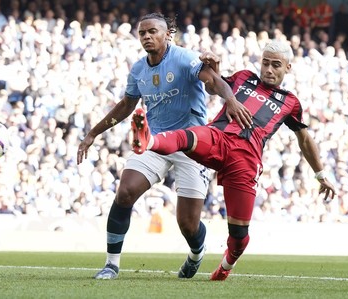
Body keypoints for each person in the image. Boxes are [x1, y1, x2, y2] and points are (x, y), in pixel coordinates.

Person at [130, 39, 336, 281]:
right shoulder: (244, 77)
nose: (268, 69)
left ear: (287, 68)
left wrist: (321, 175)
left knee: (238, 235)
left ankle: (225, 266)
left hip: (246, 159)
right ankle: (148, 141)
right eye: (266, 63)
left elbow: (304, 139)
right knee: (188, 136)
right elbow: (212, 87)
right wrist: (212, 68)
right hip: (218, 136)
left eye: (276, 65)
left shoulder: (290, 102)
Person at [76, 12, 252, 280]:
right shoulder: (138, 70)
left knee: (188, 224)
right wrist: (93, 133)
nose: (147, 36)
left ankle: (196, 253)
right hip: (155, 141)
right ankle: (111, 264)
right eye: (142, 33)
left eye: (152, 32)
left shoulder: (184, 58)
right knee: (125, 192)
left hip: (193, 144)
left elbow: (214, 81)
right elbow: (126, 105)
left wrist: (230, 99)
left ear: (167, 34)